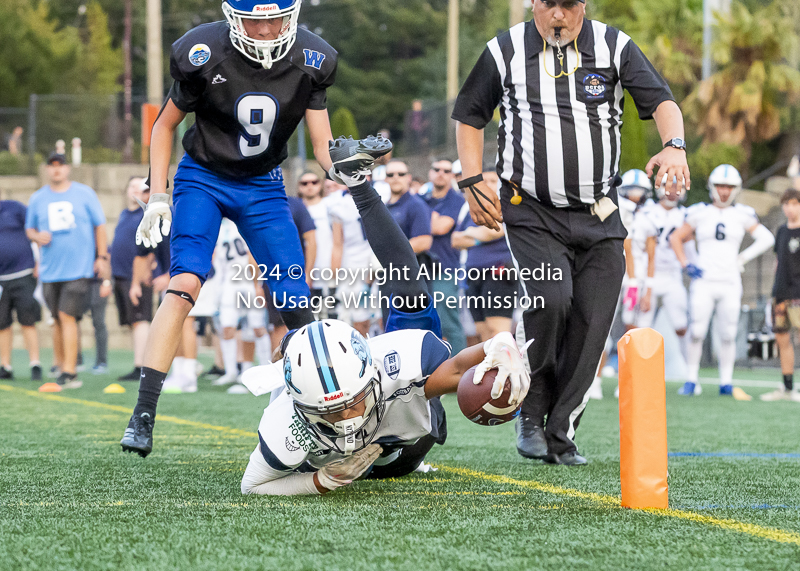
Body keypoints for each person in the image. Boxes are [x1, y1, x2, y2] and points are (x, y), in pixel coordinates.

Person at [121, 0, 374, 456]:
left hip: (263, 185)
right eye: (253, 19)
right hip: (203, 177)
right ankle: (143, 412)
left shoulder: (312, 59)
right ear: (234, 18)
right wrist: (159, 194)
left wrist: (345, 167)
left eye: (273, 18)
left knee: (296, 301)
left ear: (292, 16)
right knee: (183, 282)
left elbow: (322, 147)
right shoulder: (203, 50)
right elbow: (164, 126)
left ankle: (326, 416)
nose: (264, 29)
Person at [453, 0, 690, 465]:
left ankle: (561, 433)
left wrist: (675, 145)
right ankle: (531, 409)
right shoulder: (503, 50)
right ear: (533, 5)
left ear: (582, 6)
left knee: (592, 320)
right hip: (530, 211)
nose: (557, 16)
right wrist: (470, 178)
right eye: (548, 5)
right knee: (552, 298)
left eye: (567, 4)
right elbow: (469, 116)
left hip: (600, 215)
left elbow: (661, 101)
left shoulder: (614, 45)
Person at [239, 142, 530, 495]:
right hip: (346, 459)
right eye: (332, 413)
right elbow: (252, 486)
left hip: (398, 448)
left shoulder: (396, 363)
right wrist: (319, 480)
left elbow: (454, 371)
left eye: (352, 404)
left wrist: (499, 345)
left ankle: (357, 183)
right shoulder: (284, 425)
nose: (348, 420)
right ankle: (274, 198)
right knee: (303, 324)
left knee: (409, 289)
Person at [670, 165, 774, 398]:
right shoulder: (699, 212)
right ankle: (691, 379)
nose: (724, 191)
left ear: (736, 189)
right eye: (720, 186)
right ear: (712, 187)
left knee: (727, 333)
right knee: (696, 331)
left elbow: (766, 238)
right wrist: (687, 264)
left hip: (729, 280)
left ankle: (726, 381)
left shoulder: (742, 214)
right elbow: (676, 237)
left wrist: (743, 257)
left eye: (728, 187)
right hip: (704, 280)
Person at [25, 153, 110, 389]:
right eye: (51, 166)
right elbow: (29, 229)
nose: (56, 170)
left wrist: (101, 257)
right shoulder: (37, 198)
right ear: (47, 170)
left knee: (67, 315)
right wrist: (36, 236)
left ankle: (71, 371)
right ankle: (62, 366)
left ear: (67, 168)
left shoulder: (84, 194)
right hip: (50, 269)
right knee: (56, 319)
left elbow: (100, 226)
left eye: (60, 166)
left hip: (79, 267)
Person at [631, 175, 693, 366]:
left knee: (682, 327)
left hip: (673, 276)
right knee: (641, 327)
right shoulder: (646, 212)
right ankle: (636, 373)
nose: (673, 191)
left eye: (677, 187)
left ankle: (691, 373)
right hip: (648, 276)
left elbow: (689, 246)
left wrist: (692, 265)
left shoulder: (686, 215)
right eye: (669, 186)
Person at [451, 168, 516, 343]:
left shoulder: (507, 205)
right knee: (482, 334)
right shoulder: (470, 209)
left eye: (493, 181)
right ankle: (491, 370)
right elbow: (455, 240)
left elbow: (496, 231)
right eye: (484, 181)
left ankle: (508, 369)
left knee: (498, 332)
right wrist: (478, 235)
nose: (487, 185)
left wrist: (470, 234)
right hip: (473, 274)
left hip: (498, 272)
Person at [421, 159, 467, 354]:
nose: (441, 173)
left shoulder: (456, 200)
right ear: (430, 173)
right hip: (419, 271)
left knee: (448, 323)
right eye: (437, 169)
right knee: (422, 325)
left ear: (452, 175)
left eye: (446, 170)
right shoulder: (421, 199)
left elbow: (439, 228)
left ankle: (460, 373)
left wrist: (421, 218)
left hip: (445, 270)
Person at [111, 177, 154, 382]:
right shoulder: (124, 214)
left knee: (140, 320)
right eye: (132, 186)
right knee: (132, 322)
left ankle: (142, 367)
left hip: (137, 276)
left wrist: (151, 268)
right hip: (120, 275)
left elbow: (154, 245)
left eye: (141, 187)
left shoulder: (147, 214)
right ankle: (138, 363)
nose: (136, 190)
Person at [761, 189, 800, 402]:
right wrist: (774, 293)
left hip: (799, 294)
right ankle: (787, 388)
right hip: (781, 295)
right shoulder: (781, 231)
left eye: (794, 203)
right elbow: (778, 263)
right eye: (786, 204)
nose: (790, 208)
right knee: (782, 340)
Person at [0, 199, 42, 381]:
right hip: (1, 280)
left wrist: (40, 262)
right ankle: (5, 366)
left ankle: (35, 364)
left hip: (23, 274)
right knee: (2, 324)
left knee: (28, 321)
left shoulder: (14, 207)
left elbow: (36, 231)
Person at [298, 171, 336, 318]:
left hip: (330, 271)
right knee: (313, 319)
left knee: (333, 318)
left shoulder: (329, 207)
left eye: (314, 182)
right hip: (307, 275)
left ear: (320, 185)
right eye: (304, 183)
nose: (310, 186)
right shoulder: (296, 209)